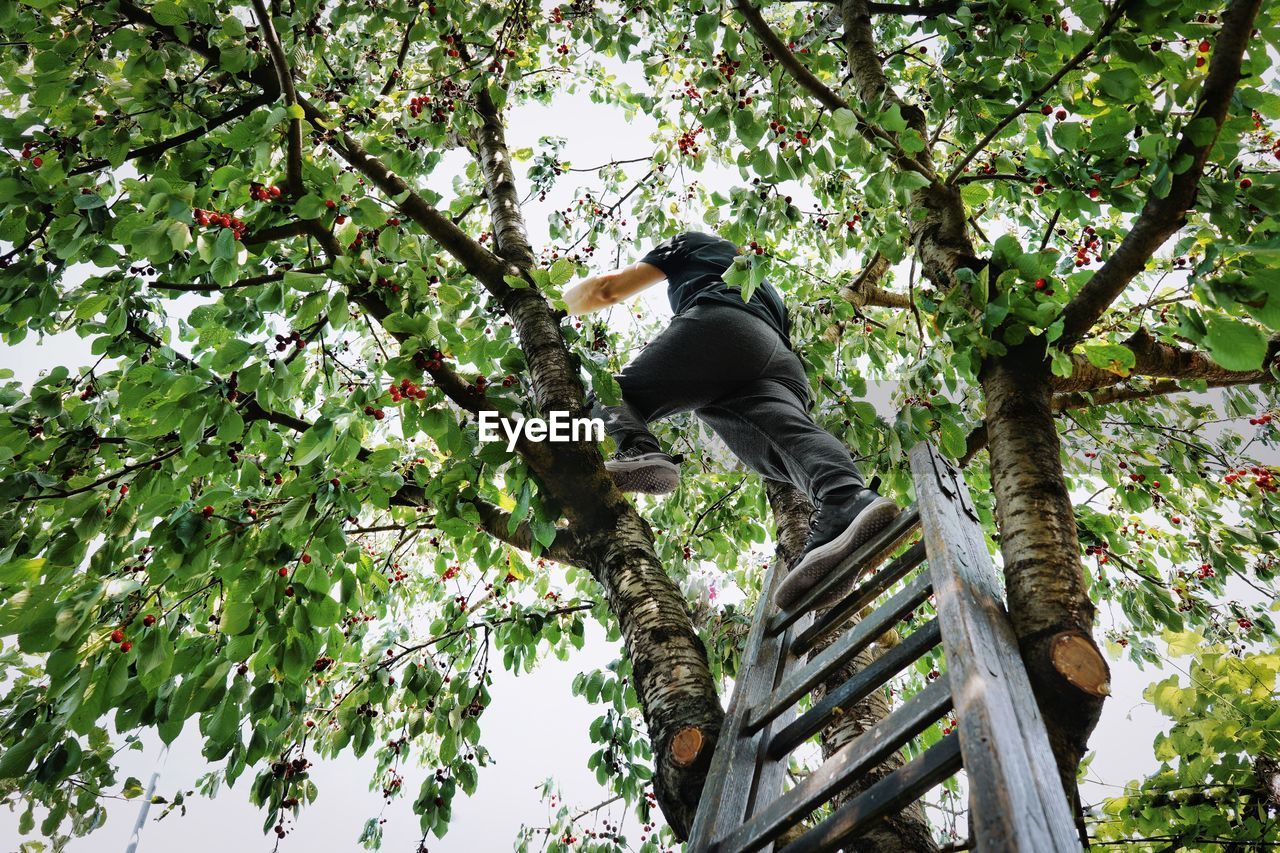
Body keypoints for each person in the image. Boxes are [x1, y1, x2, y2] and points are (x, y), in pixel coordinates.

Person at [563, 230, 899, 609]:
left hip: (724, 329)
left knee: (609, 394)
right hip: (778, 361)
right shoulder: (763, 283)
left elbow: (606, 290)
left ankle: (639, 448)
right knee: (785, 441)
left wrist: (551, 304)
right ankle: (846, 498)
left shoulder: (687, 242)